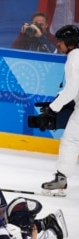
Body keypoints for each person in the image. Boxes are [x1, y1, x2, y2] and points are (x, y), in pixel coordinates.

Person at [39, 25, 79, 196]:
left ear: (70, 43)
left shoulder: (75, 57)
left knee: (71, 139)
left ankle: (61, 180)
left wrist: (53, 108)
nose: (58, 45)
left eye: (61, 42)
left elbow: (72, 88)